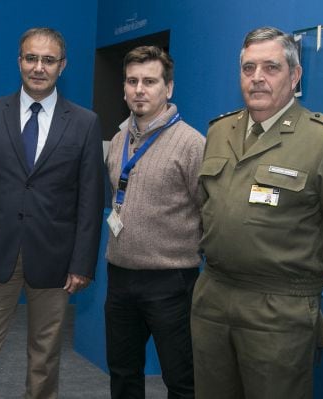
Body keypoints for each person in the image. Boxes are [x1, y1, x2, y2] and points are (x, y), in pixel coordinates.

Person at [192, 27, 323, 399]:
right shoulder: (220, 130)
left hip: (279, 309)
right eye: (248, 68)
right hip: (213, 297)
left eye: (270, 67)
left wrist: (306, 279)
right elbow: (206, 205)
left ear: (294, 75)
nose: (257, 78)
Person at [0, 27, 104, 398]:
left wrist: (82, 263)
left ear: (62, 66)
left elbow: (90, 200)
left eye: (48, 60)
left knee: (45, 357)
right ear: (19, 62)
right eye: (31, 58)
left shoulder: (84, 123)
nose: (38, 67)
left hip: (55, 258)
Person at [104, 45, 204, 399]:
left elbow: (208, 211)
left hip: (171, 283)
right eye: (132, 81)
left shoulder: (192, 144)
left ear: (169, 88)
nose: (139, 89)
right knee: (122, 372)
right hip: (120, 277)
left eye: (149, 81)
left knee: (180, 379)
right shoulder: (119, 140)